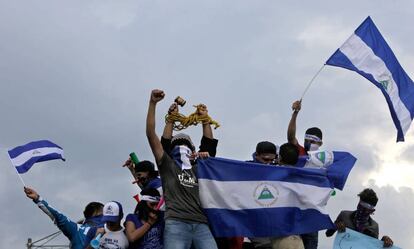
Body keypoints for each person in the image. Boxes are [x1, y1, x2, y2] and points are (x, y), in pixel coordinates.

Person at [146, 89, 218, 249]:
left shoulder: (200, 167)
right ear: (171, 151)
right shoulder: (167, 165)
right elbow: (152, 135)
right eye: (177, 145)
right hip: (176, 222)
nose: (182, 148)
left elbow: (209, 146)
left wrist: (205, 119)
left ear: (193, 151)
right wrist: (154, 105)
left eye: (186, 146)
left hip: (201, 224)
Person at [287, 100, 322, 249]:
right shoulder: (299, 151)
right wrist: (295, 113)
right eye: (307, 139)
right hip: (294, 207)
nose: (309, 142)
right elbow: (290, 136)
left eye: (313, 140)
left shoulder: (323, 161)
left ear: (320, 143)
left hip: (312, 211)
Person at [24, 187, 103, 249]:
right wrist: (37, 198)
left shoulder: (78, 229)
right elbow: (58, 216)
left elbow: (58, 216)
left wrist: (37, 198)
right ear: (96, 213)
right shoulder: (78, 229)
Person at [326, 188, 394, 248]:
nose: (361, 210)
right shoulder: (344, 215)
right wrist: (336, 226)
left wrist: (384, 242)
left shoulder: (374, 226)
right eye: (360, 205)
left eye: (365, 208)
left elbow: (373, 246)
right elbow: (328, 234)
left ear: (372, 211)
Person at [269, 143, 304, 249]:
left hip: (281, 236)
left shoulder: (272, 176)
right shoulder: (303, 178)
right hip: (297, 237)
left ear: (280, 157)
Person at [245, 141, 278, 249]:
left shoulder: (278, 171)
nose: (268, 163)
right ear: (257, 155)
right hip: (252, 221)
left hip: (272, 223)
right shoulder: (244, 169)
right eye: (265, 159)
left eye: (271, 160)